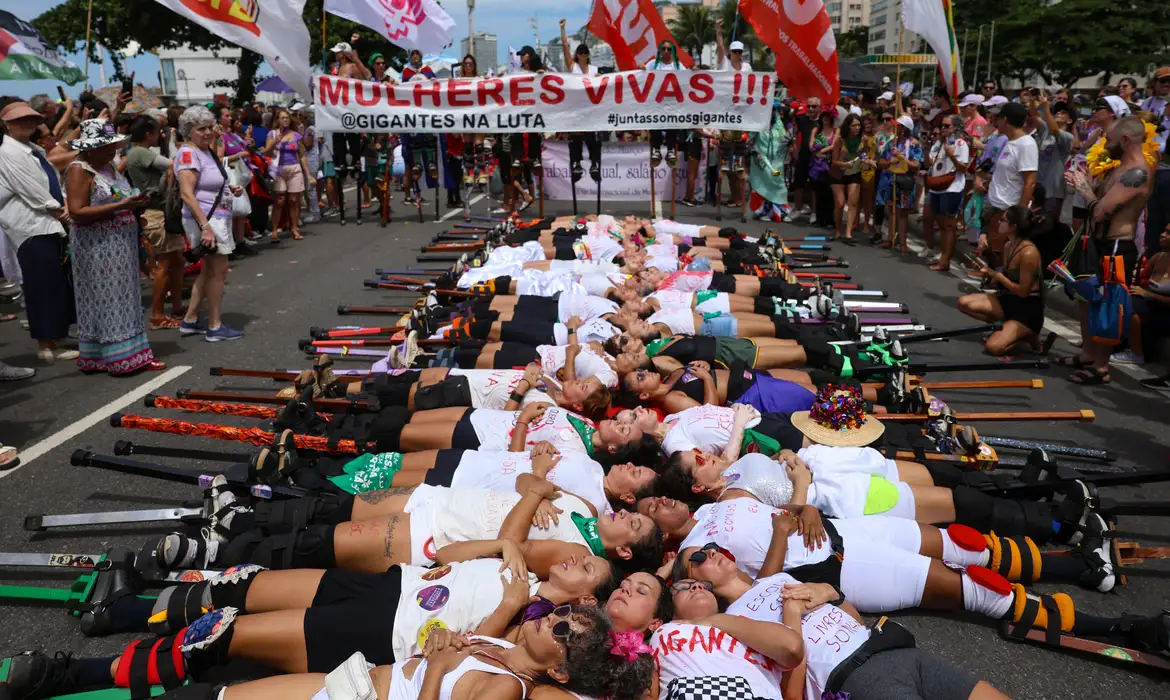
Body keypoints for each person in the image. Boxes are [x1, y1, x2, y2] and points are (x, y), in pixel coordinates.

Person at [64, 119, 164, 374]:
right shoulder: (79, 169)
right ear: (89, 148)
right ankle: (120, 358)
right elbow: (76, 211)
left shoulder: (108, 166)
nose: (113, 149)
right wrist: (122, 206)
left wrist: (135, 202)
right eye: (106, 145)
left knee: (123, 296)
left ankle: (121, 355)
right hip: (97, 246)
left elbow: (118, 196)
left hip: (119, 244)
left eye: (113, 144)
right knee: (108, 299)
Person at [1062, 118, 1155, 384]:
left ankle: (1101, 366)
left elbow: (1102, 211)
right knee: (1086, 295)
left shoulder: (1137, 172)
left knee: (1108, 304)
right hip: (1096, 242)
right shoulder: (1120, 167)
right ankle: (1088, 353)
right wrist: (1088, 184)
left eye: (1110, 140)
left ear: (1125, 140)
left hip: (1116, 244)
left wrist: (1083, 189)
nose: (1106, 145)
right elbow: (1101, 201)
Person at [0, 101, 78, 364]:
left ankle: (56, 335)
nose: (27, 124)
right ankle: (46, 345)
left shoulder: (34, 149)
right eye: (20, 120)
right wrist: (58, 210)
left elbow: (53, 181)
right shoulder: (8, 152)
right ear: (8, 124)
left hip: (49, 222)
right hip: (30, 225)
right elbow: (30, 189)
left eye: (31, 119)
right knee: (41, 285)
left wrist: (64, 204)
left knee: (55, 282)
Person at [653, 578, 804, 700]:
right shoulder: (664, 631)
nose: (697, 586)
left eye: (704, 586)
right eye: (683, 587)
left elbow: (792, 648)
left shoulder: (745, 625)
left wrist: (717, 621)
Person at [175, 105, 243, 342]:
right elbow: (187, 193)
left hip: (215, 217)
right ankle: (214, 326)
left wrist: (229, 188)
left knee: (209, 270)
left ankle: (191, 320)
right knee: (218, 271)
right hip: (206, 220)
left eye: (208, 128)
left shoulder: (204, 151)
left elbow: (207, 183)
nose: (206, 133)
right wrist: (206, 226)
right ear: (188, 131)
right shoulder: (188, 153)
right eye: (200, 129)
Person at [124, 115, 186, 330]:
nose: (161, 134)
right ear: (147, 134)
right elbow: (173, 165)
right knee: (165, 264)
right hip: (155, 212)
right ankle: (158, 315)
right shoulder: (139, 152)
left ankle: (176, 307)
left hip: (162, 211)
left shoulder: (140, 152)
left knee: (177, 261)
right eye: (157, 131)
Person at [957, 206, 1046, 355]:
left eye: (1003, 220)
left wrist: (997, 275)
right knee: (963, 303)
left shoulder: (1029, 253)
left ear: (1013, 227)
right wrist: (986, 268)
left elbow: (1023, 292)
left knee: (994, 347)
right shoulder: (1008, 245)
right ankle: (1005, 328)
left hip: (1026, 310)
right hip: (1008, 300)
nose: (999, 223)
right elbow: (1003, 275)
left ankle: (1030, 336)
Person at [982, 102, 1038, 269]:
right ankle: (992, 279)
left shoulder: (1026, 144)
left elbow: (1030, 181)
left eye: (997, 118)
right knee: (990, 249)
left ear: (1005, 119)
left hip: (1008, 208)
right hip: (995, 204)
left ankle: (998, 284)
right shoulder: (1009, 142)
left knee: (1001, 253)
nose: (994, 122)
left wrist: (1018, 213)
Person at [924, 114, 971, 271]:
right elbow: (929, 163)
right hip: (937, 187)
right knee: (941, 224)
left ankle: (945, 260)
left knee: (949, 225)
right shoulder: (938, 143)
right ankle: (943, 256)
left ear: (955, 128)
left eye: (946, 126)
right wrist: (926, 147)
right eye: (942, 126)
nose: (942, 129)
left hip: (952, 188)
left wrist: (951, 155)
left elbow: (963, 168)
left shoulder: (960, 144)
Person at [560, 19, 602, 186]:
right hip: (576, 111)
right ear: (577, 54)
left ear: (588, 55)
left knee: (593, 139)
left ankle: (594, 164)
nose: (583, 55)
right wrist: (562, 29)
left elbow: (604, 83)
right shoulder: (573, 67)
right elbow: (564, 47)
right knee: (576, 139)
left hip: (590, 110)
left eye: (585, 52)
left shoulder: (594, 70)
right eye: (580, 52)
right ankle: (576, 164)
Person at [1120, 227, 1170, 366]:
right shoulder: (1158, 257)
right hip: (1152, 305)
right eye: (1164, 231)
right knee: (1121, 299)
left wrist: (1149, 294)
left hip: (1166, 310)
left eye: (1168, 233)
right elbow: (1140, 278)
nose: (1162, 235)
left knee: (1131, 307)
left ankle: (1137, 354)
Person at [264, 108, 312, 242]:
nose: (285, 120)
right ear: (277, 120)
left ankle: (294, 227)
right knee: (279, 201)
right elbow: (267, 152)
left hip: (294, 168)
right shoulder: (272, 134)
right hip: (278, 169)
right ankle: (274, 229)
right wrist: (276, 141)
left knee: (294, 200)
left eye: (287, 117)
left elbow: (302, 155)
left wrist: (308, 174)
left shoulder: (296, 135)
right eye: (282, 118)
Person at [877, 115, 923, 254]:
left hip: (906, 182)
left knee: (902, 213)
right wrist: (890, 161)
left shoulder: (914, 144)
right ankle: (890, 238)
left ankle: (903, 242)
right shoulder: (892, 143)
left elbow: (915, 165)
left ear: (904, 129)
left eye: (898, 125)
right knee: (892, 210)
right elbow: (881, 162)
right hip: (892, 180)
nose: (895, 127)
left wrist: (901, 157)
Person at [1031, 94, 1076, 223]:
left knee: (1048, 224)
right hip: (1039, 188)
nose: (1058, 114)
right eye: (1057, 112)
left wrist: (1046, 109)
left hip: (1054, 191)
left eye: (1063, 113)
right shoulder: (1046, 131)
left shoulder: (1068, 137)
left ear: (1069, 120)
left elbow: (1056, 131)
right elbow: (1034, 115)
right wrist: (1032, 99)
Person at [1141, 66, 1170, 254]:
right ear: (1154, 83)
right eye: (1163, 81)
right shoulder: (1146, 104)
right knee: (1152, 220)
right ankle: (1150, 262)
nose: (1167, 85)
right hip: (1150, 167)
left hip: (1167, 167)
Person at [829, 113, 868, 242]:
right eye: (854, 125)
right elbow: (834, 161)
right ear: (848, 127)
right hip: (838, 173)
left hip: (854, 172)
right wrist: (844, 164)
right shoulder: (840, 140)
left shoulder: (863, 139)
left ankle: (848, 233)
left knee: (853, 202)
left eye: (858, 125)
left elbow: (864, 154)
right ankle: (838, 230)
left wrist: (865, 161)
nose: (857, 128)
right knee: (840, 203)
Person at [750, 101, 791, 223]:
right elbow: (749, 142)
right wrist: (755, 154)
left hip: (777, 163)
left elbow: (784, 142)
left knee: (779, 184)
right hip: (761, 162)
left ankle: (781, 212)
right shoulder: (757, 125)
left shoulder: (779, 126)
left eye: (774, 110)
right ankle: (762, 212)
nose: (772, 112)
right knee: (762, 185)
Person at [791, 98, 822, 222]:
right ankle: (797, 210)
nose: (810, 109)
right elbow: (796, 134)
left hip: (817, 158)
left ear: (819, 108)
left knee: (814, 186)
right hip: (803, 155)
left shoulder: (822, 122)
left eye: (814, 107)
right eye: (808, 106)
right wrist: (795, 149)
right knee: (798, 183)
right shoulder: (802, 120)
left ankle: (814, 212)